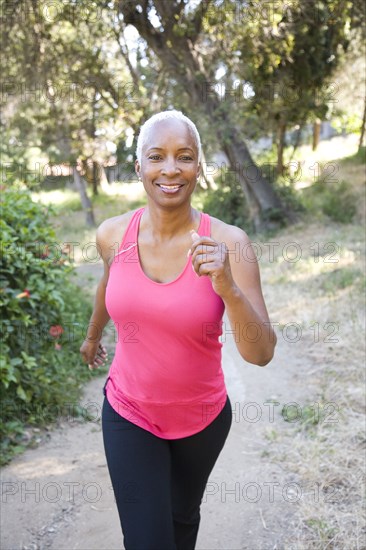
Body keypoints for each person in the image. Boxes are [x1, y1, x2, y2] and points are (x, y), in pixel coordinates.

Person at [80, 110, 277, 550]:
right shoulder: (113, 234)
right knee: (149, 540)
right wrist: (93, 335)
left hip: (202, 420)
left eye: (184, 156)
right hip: (129, 411)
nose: (170, 169)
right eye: (157, 157)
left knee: (182, 521)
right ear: (139, 168)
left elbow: (261, 353)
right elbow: (108, 284)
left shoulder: (230, 243)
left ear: (198, 168)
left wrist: (227, 286)